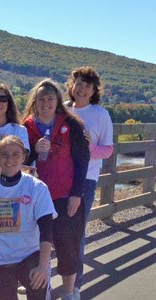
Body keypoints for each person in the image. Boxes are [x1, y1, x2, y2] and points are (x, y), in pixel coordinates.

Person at [23, 79, 90, 300]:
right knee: (35, 245)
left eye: (50, 99)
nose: (45, 103)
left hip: (64, 195)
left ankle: (70, 291)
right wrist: (33, 150)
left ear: (57, 101)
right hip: (35, 198)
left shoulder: (71, 124)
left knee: (67, 244)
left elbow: (82, 160)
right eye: (41, 99)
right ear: (35, 101)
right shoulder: (27, 126)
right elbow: (18, 161)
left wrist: (76, 194)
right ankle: (43, 288)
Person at [0, 136, 56, 300]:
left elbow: (46, 230)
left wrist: (43, 267)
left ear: (24, 157)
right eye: (4, 154)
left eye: (16, 154)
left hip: (30, 256)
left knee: (39, 288)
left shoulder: (37, 187)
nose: (10, 159)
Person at [65, 66, 114, 298]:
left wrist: (89, 149)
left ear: (94, 90)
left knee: (76, 234)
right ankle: (42, 277)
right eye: (79, 84)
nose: (82, 89)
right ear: (71, 87)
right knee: (49, 231)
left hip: (85, 180)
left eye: (87, 86)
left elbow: (108, 150)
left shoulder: (100, 114)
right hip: (59, 178)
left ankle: (74, 287)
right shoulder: (62, 110)